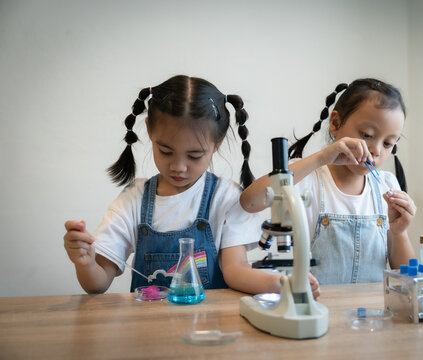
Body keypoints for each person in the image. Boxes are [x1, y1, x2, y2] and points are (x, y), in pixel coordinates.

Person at [63, 75, 320, 298]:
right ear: (150, 132)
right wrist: (84, 262)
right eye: (165, 151)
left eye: (194, 156)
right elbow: (97, 284)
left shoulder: (225, 197)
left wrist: (283, 282)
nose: (179, 167)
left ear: (217, 144)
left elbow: (235, 271)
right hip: (146, 335)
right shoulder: (133, 200)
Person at [240, 78, 415, 284]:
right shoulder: (308, 177)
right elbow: (249, 202)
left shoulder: (387, 185)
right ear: (335, 123)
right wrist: (321, 158)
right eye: (367, 135)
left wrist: (400, 232)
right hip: (318, 309)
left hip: (371, 313)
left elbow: (408, 276)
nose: (376, 150)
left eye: (388, 143)